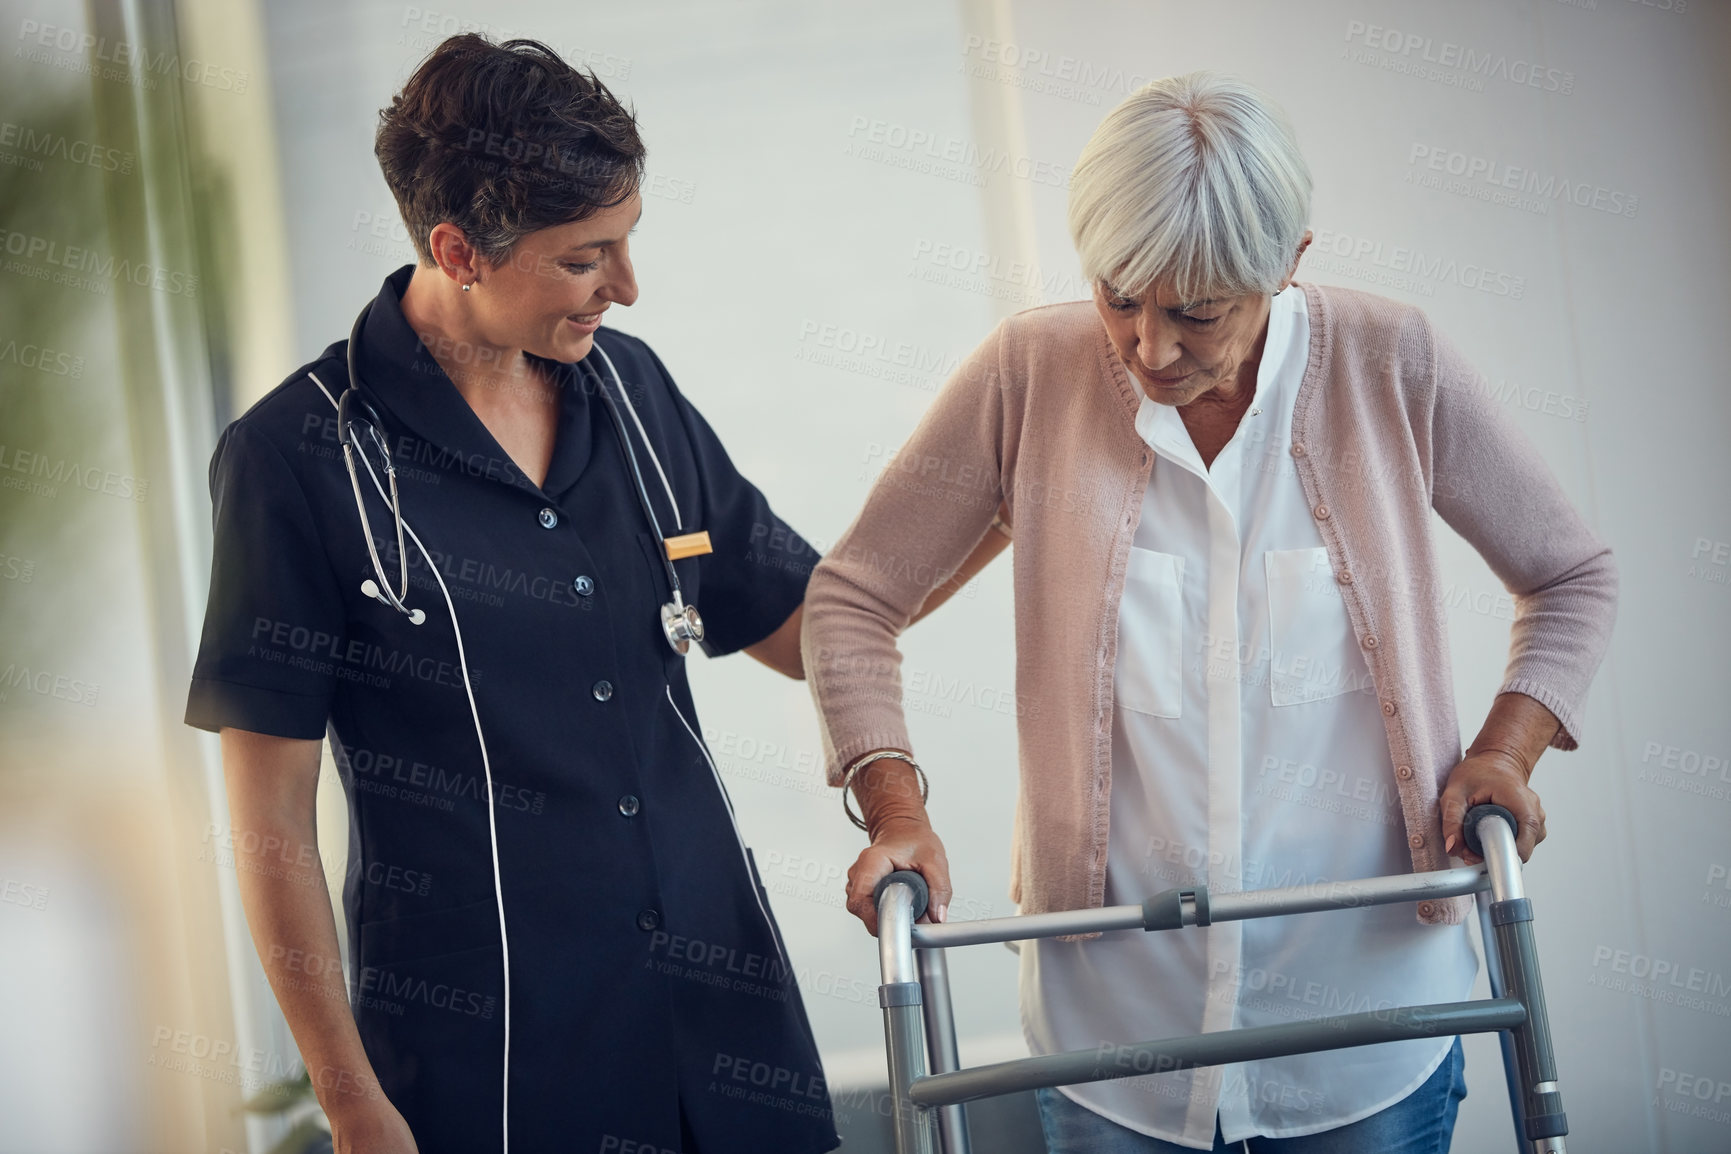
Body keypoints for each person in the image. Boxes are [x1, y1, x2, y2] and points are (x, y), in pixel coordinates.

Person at [182, 33, 1001, 1154]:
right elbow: (269, 822)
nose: (625, 287)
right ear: (458, 249)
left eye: (626, 244)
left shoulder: (636, 391)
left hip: (727, 1021)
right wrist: (349, 1096)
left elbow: (822, 620)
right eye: (585, 259)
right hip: (500, 1050)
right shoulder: (297, 458)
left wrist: (1009, 507)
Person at [800, 72, 1617, 1152]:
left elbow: (1571, 574)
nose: (1148, 348)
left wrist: (1506, 754)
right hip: (1112, 1040)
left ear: (1288, 264)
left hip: (1367, 1025)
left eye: (1196, 311)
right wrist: (897, 810)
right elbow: (853, 597)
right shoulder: (1030, 375)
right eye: (1118, 295)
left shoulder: (1391, 362)